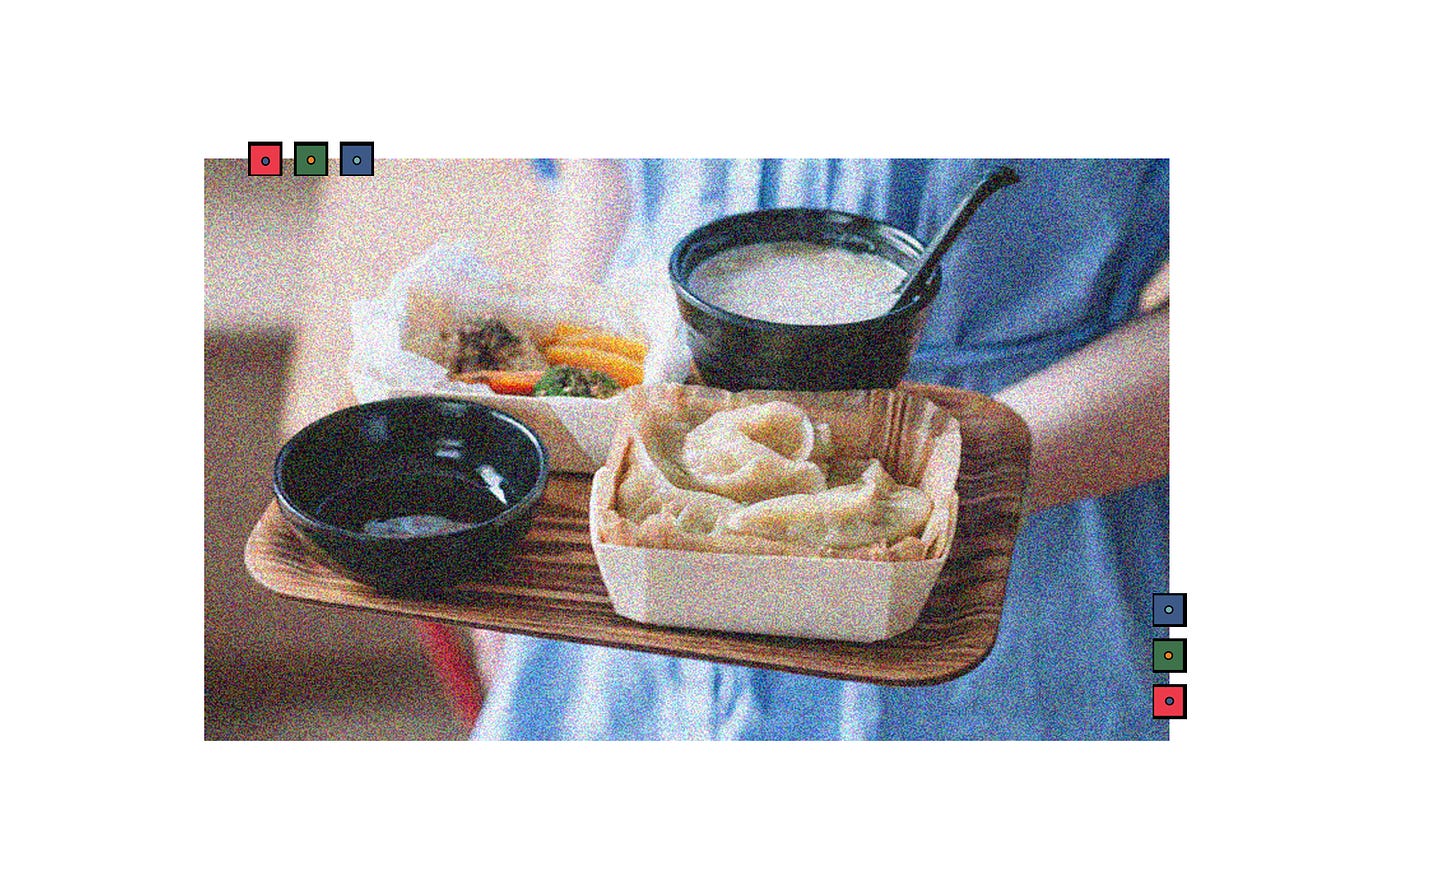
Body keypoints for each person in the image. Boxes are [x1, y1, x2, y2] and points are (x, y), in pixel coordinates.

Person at [469, 158, 1170, 740]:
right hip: (617, 635)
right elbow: (602, 168)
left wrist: (944, 479)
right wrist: (551, 466)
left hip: (1023, 588)